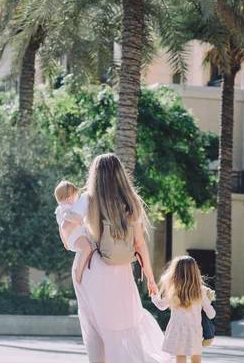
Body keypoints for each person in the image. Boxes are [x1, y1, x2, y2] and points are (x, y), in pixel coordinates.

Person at [61, 153, 171, 363]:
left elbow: (67, 229)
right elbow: (139, 244)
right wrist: (150, 278)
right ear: (120, 174)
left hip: (91, 268)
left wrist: (73, 229)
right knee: (123, 324)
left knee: (93, 325)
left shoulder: (88, 198)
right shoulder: (132, 202)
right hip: (120, 270)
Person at [151, 256, 216, 363]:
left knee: (180, 357)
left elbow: (162, 306)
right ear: (195, 273)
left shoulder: (173, 291)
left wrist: (153, 296)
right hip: (195, 332)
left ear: (175, 273)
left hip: (177, 331)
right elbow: (211, 314)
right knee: (196, 358)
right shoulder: (200, 292)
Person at [54, 180, 92, 284]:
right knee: (87, 249)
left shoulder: (58, 210)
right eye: (76, 196)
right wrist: (77, 220)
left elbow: (60, 228)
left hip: (71, 239)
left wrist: (64, 241)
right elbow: (67, 217)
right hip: (76, 237)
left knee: (83, 250)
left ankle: (79, 267)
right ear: (70, 198)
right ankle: (78, 270)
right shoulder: (66, 208)